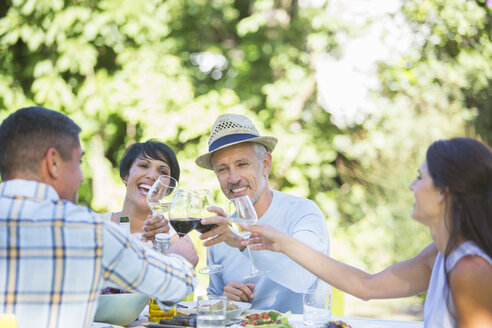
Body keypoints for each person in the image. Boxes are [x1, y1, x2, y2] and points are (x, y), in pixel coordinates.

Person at [242, 137, 492, 327]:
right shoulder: (440, 254)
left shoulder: (470, 269)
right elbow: (365, 285)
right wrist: (282, 242)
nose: (411, 186)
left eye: (419, 178)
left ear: (442, 193)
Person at [0, 106, 199, 328]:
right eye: (78, 163)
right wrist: (179, 259)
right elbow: (176, 284)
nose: (82, 179)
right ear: (53, 163)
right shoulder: (86, 229)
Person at [195, 113, 330, 314]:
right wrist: (225, 301)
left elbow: (301, 278)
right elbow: (213, 304)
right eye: (223, 169)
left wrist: (241, 244)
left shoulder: (303, 213)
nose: (233, 178)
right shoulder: (221, 230)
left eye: (242, 164)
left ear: (266, 164)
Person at [103, 140, 180, 242]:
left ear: (168, 188)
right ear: (126, 175)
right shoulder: (96, 224)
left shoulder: (177, 240)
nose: (152, 176)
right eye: (144, 166)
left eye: (162, 172)